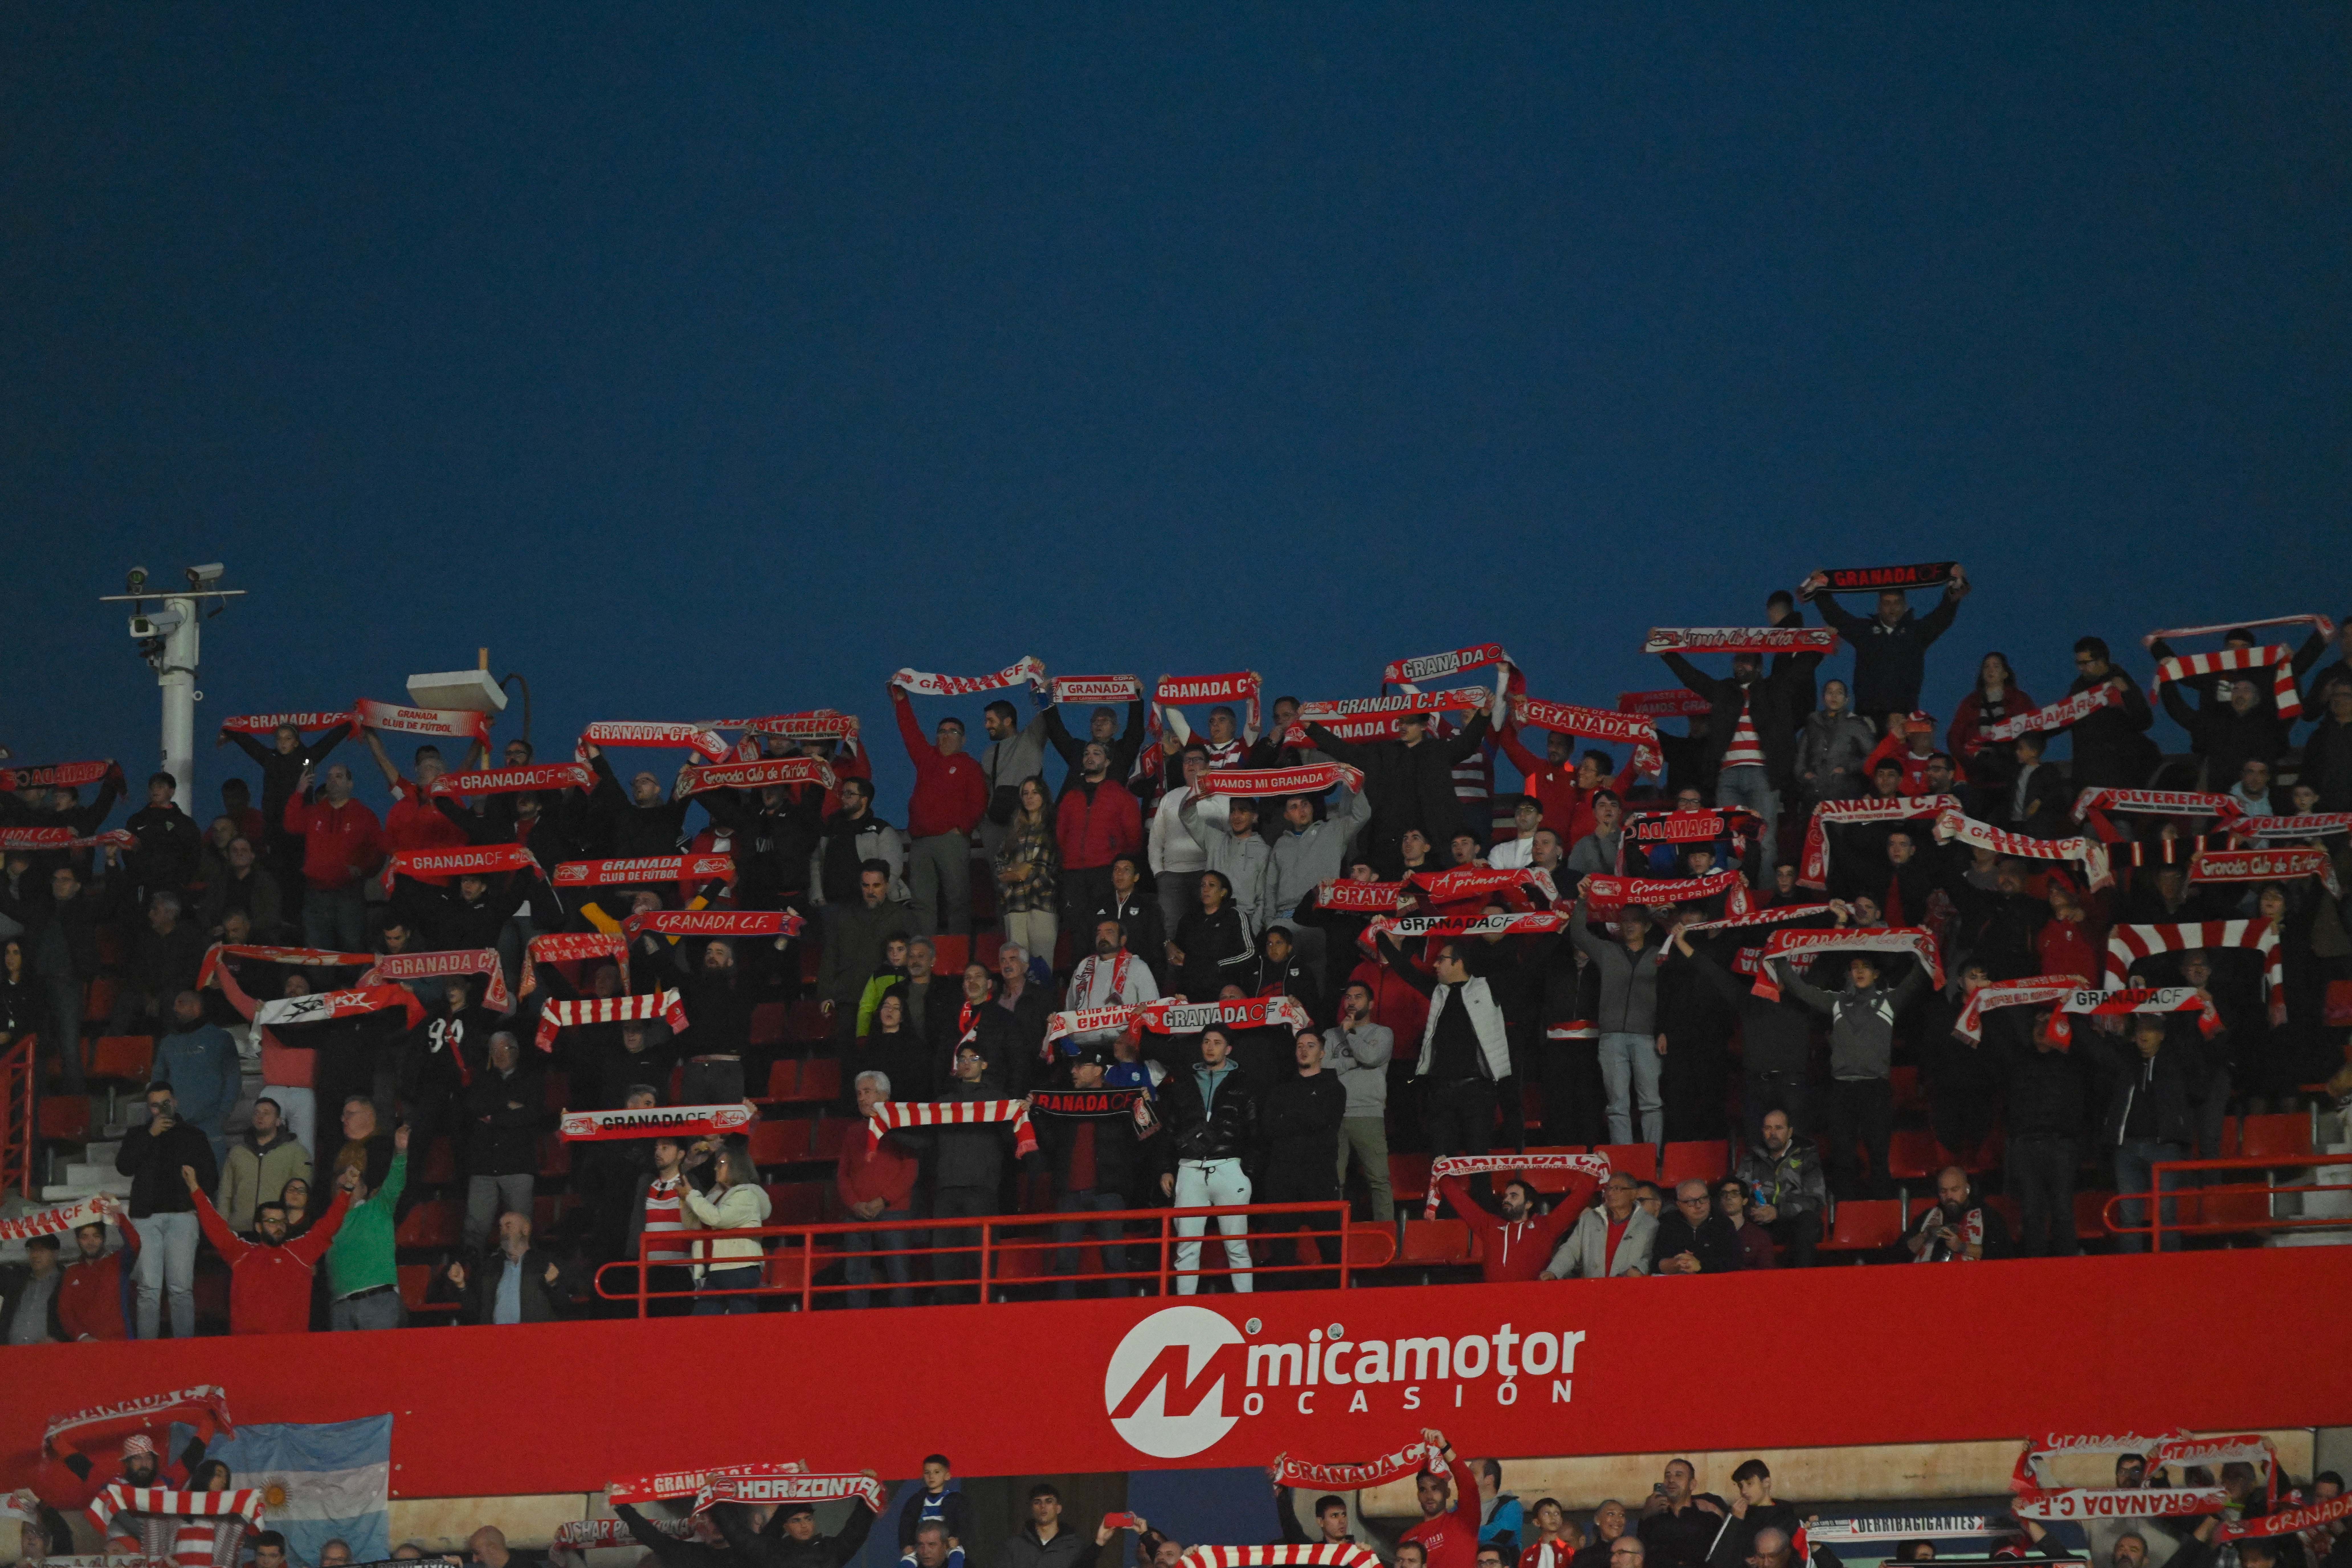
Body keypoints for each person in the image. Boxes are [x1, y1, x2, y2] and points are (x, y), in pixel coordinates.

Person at [1771, 952, 1927, 1199]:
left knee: (1879, 1157)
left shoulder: (1888, 1001)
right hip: (1842, 1091)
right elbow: (1801, 990)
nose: (1860, 972)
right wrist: (1780, 960)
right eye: (1855, 968)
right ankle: (1846, 1212)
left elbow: (1916, 980)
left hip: (1875, 1090)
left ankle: (1882, 1211)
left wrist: (1925, 952)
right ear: (1849, 974)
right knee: (1843, 1158)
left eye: (1865, 967)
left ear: (1876, 974)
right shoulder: (1838, 1002)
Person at [1659, 642, 1824, 874]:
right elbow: (1694, 678)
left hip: (1763, 774)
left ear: (1759, 667)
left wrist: (1822, 644)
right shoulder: (1724, 691)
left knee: (1764, 837)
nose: (1741, 665)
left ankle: (1765, 891)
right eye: (1738, 660)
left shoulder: (1773, 688)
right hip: (1728, 775)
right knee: (1732, 839)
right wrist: (1667, 653)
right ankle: (1736, 892)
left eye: (1747, 661)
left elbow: (1799, 671)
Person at [1379, 935, 1514, 1159]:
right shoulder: (1438, 992)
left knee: (1479, 1161)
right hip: (1441, 1092)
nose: (1435, 964)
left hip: (1477, 1092)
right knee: (1442, 1163)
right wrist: (1381, 935)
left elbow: (1529, 969)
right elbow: (1404, 969)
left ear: (1458, 963)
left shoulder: (1488, 988)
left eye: (1441, 959)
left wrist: (1555, 933)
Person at [1157, 1024, 1259, 1294]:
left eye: (1217, 1042)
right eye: (1206, 1041)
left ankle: (1245, 1308)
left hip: (1229, 1167)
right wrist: (1166, 1169)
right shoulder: (1184, 1082)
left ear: (1228, 1049)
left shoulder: (1244, 1083)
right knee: (1187, 1247)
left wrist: (1246, 1173)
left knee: (1237, 1246)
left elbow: (1255, 1132)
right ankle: (1185, 1309)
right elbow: (1170, 1129)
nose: (1210, 1047)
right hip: (1190, 1169)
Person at [186, 1165, 348, 1334]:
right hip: (247, 1344)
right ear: (259, 1227)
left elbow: (328, 1226)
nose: (278, 1226)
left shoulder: (300, 1252)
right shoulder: (241, 1253)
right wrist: (194, 1188)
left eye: (282, 1221)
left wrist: (347, 1191)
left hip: (291, 1345)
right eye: (271, 1221)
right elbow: (215, 1228)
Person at [113, 1082, 217, 1339]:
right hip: (146, 1217)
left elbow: (212, 1178)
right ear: (149, 1108)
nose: (161, 1109)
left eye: (166, 1103)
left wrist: (195, 1189)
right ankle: (147, 1352)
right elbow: (125, 1167)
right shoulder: (139, 1134)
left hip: (183, 1216)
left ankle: (184, 1351)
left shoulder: (194, 1135)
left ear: (175, 1102)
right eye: (155, 1105)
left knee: (181, 1289)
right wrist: (151, 1135)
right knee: (148, 1289)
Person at [1570, 890, 1673, 1145]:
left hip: (1647, 1037)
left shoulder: (1661, 955)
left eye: (1635, 920)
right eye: (1624, 921)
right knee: (1617, 1106)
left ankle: (1653, 1158)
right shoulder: (1607, 951)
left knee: (1651, 1103)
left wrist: (1664, 1029)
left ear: (1647, 926)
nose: (1629, 925)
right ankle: (1624, 1160)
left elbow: (1671, 998)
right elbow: (1578, 934)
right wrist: (1582, 900)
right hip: (1612, 1038)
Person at [2095, 1014, 2204, 1253]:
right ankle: (2132, 1270)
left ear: (2163, 1035)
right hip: (2127, 1148)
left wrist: (2189, 1009)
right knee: (2129, 1216)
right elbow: (2097, 1052)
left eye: (2151, 1030)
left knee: (2166, 1213)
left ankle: (2170, 1268)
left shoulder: (2176, 1061)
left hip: (2164, 1147)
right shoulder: (2125, 1061)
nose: (2144, 1035)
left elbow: (2192, 1044)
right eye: (2140, 1030)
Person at [891, 685, 989, 938]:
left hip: (951, 840)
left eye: (953, 732)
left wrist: (963, 828)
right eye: (942, 731)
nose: (946, 735)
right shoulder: (927, 759)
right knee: (922, 902)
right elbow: (910, 731)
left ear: (963, 739)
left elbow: (979, 801)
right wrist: (901, 700)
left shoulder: (970, 766)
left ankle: (958, 952)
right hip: (921, 842)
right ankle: (924, 951)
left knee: (958, 899)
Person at [1807, 567, 1970, 715]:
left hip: (1904, 716)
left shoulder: (1916, 633)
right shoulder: (1865, 632)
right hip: (1868, 716)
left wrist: (1953, 590)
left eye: (1897, 603)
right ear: (1879, 607)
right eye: (1887, 603)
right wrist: (1821, 591)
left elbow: (1942, 618)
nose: (1892, 609)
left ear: (1905, 606)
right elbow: (1837, 618)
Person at [1256, 1028, 1347, 1287]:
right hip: (1282, 1175)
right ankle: (1284, 1301)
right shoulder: (1280, 1089)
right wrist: (1304, 1117)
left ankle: (1339, 1299)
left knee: (1330, 1243)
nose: (1304, 1050)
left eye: (1310, 1045)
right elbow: (1269, 1128)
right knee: (1282, 1246)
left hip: (1319, 1175)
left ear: (1323, 1053)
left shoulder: (1334, 1088)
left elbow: (1322, 1121)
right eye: (1299, 1045)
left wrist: (1289, 1118)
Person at [283, 761, 384, 951]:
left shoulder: (364, 815)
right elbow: (291, 824)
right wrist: (299, 792)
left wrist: (362, 869)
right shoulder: (315, 813)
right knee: (317, 951)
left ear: (350, 784)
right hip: (315, 894)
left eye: (339, 776)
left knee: (352, 947)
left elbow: (378, 850)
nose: (333, 780)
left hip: (348, 894)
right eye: (329, 777)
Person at [839, 1069, 919, 1308]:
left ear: (885, 1096)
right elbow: (843, 1174)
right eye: (859, 1094)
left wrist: (884, 1200)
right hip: (857, 1214)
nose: (862, 1098)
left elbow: (910, 1170)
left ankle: (903, 1323)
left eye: (868, 1092)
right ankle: (857, 1323)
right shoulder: (853, 1131)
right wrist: (855, 1204)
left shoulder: (901, 1129)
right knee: (855, 1275)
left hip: (893, 1211)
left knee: (899, 1274)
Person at [1435, 1168, 1599, 1283]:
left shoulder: (1546, 1226)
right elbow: (1462, 1203)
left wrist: (1595, 1172)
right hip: (1495, 1301)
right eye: (1506, 1196)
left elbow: (1576, 1202)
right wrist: (1443, 1175)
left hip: (1534, 1301)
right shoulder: (1490, 1225)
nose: (1507, 1200)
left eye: (1514, 1196)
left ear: (1529, 1204)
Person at [324, 1123, 412, 1329]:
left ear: (365, 1189)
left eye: (351, 1185)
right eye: (341, 1186)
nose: (346, 1189)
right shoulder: (327, 1225)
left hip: (378, 1302)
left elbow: (396, 1182)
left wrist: (400, 1152)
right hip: (340, 1308)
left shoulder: (379, 1207)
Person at [1055, 747, 1144, 943]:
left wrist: (1118, 861)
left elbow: (1134, 837)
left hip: (1106, 871)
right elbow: (1061, 835)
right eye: (1086, 754)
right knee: (1076, 932)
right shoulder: (1071, 797)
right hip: (1074, 874)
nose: (1090, 757)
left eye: (1097, 754)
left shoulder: (1121, 795)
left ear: (1108, 761)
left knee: (1105, 928)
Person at [820, 861, 915, 1041]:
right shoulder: (844, 915)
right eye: (866, 886)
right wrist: (826, 995)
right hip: (849, 997)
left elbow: (915, 957)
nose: (871, 891)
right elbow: (830, 955)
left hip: (887, 999)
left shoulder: (902, 917)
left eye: (876, 885)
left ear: (887, 885)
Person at [149, 989, 242, 1168]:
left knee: (213, 1179)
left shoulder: (221, 1039)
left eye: (181, 1003)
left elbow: (233, 1080)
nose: (175, 1008)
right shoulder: (168, 1043)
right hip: (175, 1127)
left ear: (197, 1007)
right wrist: (164, 1117)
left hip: (210, 1126)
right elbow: (158, 1083)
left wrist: (221, 1116)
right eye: (175, 1004)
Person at [680, 1134, 770, 1313]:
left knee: (742, 1322)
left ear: (737, 1167)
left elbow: (718, 1219)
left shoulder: (747, 1195)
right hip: (717, 1268)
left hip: (740, 1268)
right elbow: (694, 1225)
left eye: (722, 1164)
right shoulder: (716, 1196)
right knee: (702, 1322)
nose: (716, 1168)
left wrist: (691, 1195)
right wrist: (684, 1200)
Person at [1330, 980, 1396, 1221]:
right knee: (1333, 1181)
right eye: (1348, 997)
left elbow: (1370, 1056)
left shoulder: (1382, 1033)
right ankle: (1333, 1235)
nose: (1351, 1001)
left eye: (1358, 997)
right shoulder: (1330, 1035)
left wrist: (1349, 1033)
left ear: (1371, 1004)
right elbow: (1323, 1069)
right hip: (1334, 1114)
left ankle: (1386, 1234)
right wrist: (1354, 1060)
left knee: (1379, 1180)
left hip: (1368, 1113)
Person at [1728, 1110, 1826, 1268]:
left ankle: (1801, 1279)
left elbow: (1815, 1201)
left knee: (1807, 1222)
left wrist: (1777, 1211)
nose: (1773, 1133)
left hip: (1795, 1222)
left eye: (1779, 1128)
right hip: (1761, 1220)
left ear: (1790, 1132)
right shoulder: (1752, 1157)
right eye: (1768, 1128)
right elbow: (1738, 1193)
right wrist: (1753, 1209)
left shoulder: (1806, 1157)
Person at [2064, 639, 2161, 793]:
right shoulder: (2079, 688)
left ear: (2101, 661)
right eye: (2078, 663)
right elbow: (2064, 718)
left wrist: (2127, 694)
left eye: (2085, 663)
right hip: (2088, 774)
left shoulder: (2121, 683)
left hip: (2120, 774)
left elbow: (2145, 720)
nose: (2081, 668)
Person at [1063, 916, 1163, 1054]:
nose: (1102, 936)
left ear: (1123, 940)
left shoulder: (1138, 967)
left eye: (1109, 932)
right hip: (1083, 1047)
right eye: (1099, 933)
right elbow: (1070, 1007)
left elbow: (1153, 1008)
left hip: (1122, 1048)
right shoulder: (1084, 967)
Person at [447, 1209, 565, 1324]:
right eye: (501, 1228)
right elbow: (474, 1313)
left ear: (525, 1230)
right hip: (495, 1335)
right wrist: (461, 1285)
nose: (503, 1232)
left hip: (535, 1335)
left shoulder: (546, 1262)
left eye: (509, 1226)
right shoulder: (489, 1266)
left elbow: (565, 1308)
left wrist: (554, 1285)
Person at [214, 1094, 310, 1235]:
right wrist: (222, 1228)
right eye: (257, 1113)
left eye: (266, 1113)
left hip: (277, 1232)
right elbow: (225, 1193)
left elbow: (302, 1195)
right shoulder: (237, 1152)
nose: (260, 1117)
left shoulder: (296, 1152)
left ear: (278, 1121)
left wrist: (292, 1226)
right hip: (240, 1229)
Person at [1149, 745, 1214, 938]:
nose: (1191, 764)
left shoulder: (1217, 796)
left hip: (1206, 873)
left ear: (1207, 766)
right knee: (1172, 933)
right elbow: (1156, 839)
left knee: (1205, 932)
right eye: (1188, 761)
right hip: (1172, 878)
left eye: (1197, 760)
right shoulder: (1169, 798)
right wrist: (1159, 873)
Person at [995, 775, 1062, 964]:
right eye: (1025, 793)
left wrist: (1023, 875)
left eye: (1035, 793)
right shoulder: (1013, 832)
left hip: (1042, 904)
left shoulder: (1053, 830)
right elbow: (999, 865)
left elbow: (1053, 867)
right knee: (1016, 965)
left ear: (1044, 796)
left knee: (1042, 966)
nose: (1030, 797)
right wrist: (1014, 879)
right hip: (1015, 905)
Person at [1541, 1170, 1655, 1278]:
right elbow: (1571, 1250)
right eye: (1608, 1188)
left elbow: (1650, 1257)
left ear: (1634, 1194)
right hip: (1595, 1288)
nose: (1610, 1193)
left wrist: (1640, 1269)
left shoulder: (1650, 1224)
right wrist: (1554, 1272)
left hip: (1631, 1288)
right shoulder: (1589, 1220)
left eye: (1617, 1189)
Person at [1400, 1432, 1485, 1568]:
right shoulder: (1408, 1538)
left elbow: (1468, 1485)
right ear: (1418, 1495)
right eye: (1423, 1490)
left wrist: (1445, 1448)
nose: (1429, 1496)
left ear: (1447, 1492)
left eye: (1435, 1489)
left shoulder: (1464, 1521)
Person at [57, 1210, 139, 1341]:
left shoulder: (118, 1262)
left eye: (96, 1236)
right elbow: (65, 1312)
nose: (91, 1242)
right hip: (85, 1347)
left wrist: (118, 1215)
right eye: (85, 1237)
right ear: (78, 1240)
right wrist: (82, 1336)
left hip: (120, 1344)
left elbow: (134, 1243)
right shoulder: (72, 1272)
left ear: (104, 1238)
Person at [1903, 1164, 2012, 1261]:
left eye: (1955, 1190)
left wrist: (1962, 1247)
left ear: (1967, 1189)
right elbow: (1900, 1254)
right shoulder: (1928, 1216)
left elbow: (2003, 1255)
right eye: (1944, 1191)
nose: (1949, 1196)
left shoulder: (1988, 1216)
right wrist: (1925, 1235)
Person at [1636, 1459, 1727, 1568]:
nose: (1671, 1480)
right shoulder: (1653, 1519)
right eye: (1667, 1476)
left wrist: (1718, 1512)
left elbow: (1725, 1552)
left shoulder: (1707, 1518)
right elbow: (1640, 1552)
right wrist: (1646, 1515)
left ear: (1692, 1485)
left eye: (1679, 1475)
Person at [1650, 1179, 1743, 1274]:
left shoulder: (1724, 1224)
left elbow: (1734, 1263)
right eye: (1691, 1201)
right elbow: (1655, 1262)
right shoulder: (1668, 1223)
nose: (1698, 1206)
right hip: (1675, 1280)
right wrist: (1674, 1264)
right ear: (1679, 1205)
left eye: (1704, 1199)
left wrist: (1701, 1266)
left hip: (1713, 1281)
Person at [896, 1455, 972, 1554]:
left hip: (946, 1545)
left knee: (957, 1554)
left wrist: (958, 1540)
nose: (931, 1476)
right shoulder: (916, 1500)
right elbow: (906, 1525)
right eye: (927, 1473)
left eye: (937, 1472)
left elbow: (964, 1524)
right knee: (909, 1560)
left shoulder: (955, 1500)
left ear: (947, 1476)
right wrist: (907, 1545)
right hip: (922, 1545)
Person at [1000, 1484, 1089, 1568]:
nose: (1043, 1506)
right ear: (1031, 1509)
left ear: (1058, 1508)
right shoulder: (1013, 1546)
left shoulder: (1076, 1546)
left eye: (1049, 1502)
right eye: (1037, 1502)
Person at [1, 1233, 66, 1343]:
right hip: (10, 1351)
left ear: (56, 1254)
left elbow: (74, 1320)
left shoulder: (67, 1282)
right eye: (32, 1250)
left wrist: (61, 1341)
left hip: (50, 1351)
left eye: (42, 1251)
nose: (35, 1255)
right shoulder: (17, 1279)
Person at [1715, 1179, 1775, 1270]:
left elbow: (1767, 1271)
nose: (1728, 1197)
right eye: (1724, 1194)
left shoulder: (1759, 1236)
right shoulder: (1710, 1232)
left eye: (1735, 1193)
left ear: (1745, 1201)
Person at [1518, 1500, 1580, 1568]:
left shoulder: (1569, 1551)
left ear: (1561, 1521)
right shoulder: (1529, 1553)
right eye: (1547, 1514)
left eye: (1557, 1514)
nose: (1553, 1518)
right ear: (1537, 1522)